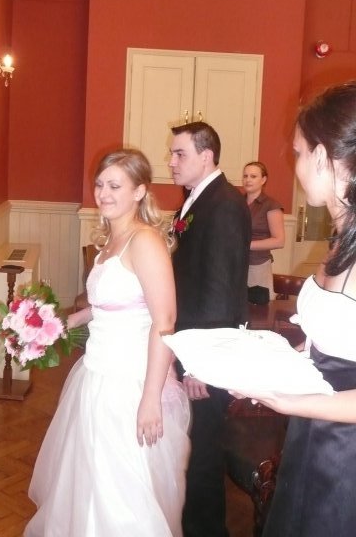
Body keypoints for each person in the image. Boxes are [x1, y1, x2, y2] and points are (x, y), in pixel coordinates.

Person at [24, 148, 190, 537]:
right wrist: (67, 321)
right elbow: (112, 304)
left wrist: (150, 398)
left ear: (139, 191)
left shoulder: (145, 242)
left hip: (129, 384)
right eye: (100, 184)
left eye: (115, 186)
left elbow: (165, 322)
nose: (103, 193)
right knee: (90, 483)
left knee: (123, 494)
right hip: (95, 375)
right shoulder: (110, 241)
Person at [231, 80, 356, 537]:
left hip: (345, 454)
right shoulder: (343, 238)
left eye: (299, 152)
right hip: (313, 433)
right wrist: (284, 360)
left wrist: (290, 400)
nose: (295, 163)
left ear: (323, 156)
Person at [169, 121, 251, 537]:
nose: (171, 162)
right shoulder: (199, 199)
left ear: (206, 156)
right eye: (172, 153)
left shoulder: (224, 205)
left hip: (207, 352)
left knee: (204, 450)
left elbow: (220, 291)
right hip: (193, 343)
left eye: (179, 154)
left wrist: (199, 366)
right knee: (196, 444)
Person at [243, 161, 285, 300]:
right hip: (236, 263)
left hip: (258, 265)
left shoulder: (271, 205)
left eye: (253, 176)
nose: (248, 180)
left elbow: (279, 241)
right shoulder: (237, 202)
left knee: (258, 307)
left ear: (263, 180)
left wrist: (246, 245)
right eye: (245, 176)